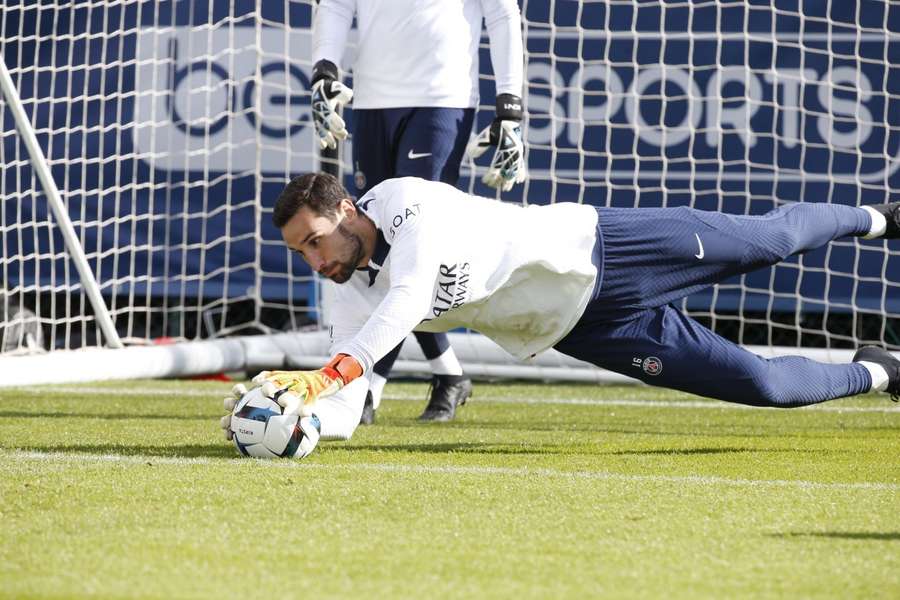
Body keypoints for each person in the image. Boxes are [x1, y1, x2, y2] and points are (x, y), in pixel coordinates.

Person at [221, 172, 900, 452]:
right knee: (765, 387)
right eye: (300, 253)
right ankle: (881, 372)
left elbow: (407, 298)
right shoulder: (348, 286)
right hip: (589, 330)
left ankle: (877, 217)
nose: (315, 261)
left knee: (775, 240)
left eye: (314, 241)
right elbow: (345, 401)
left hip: (608, 246)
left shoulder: (404, 201)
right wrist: (289, 417)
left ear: (347, 210)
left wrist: (326, 373)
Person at [308, 0, 527, 424]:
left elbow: (503, 14)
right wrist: (324, 70)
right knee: (367, 249)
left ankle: (370, 386)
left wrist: (510, 105)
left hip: (441, 97)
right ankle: (447, 373)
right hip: (370, 100)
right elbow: (335, 6)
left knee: (414, 248)